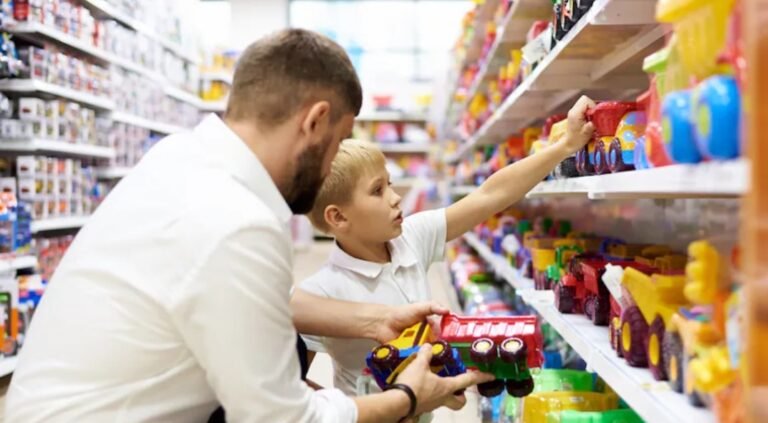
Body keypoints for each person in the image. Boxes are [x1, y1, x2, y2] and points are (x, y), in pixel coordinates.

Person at [5, 29, 492, 423]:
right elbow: (282, 420)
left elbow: (242, 305)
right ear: (315, 122)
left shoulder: (179, 158)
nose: (329, 173)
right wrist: (407, 397)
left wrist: (370, 321)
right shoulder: (238, 223)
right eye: (338, 141)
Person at [299, 96, 596, 398]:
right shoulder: (318, 296)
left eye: (389, 183)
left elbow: (490, 195)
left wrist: (564, 147)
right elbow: (290, 386)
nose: (395, 197)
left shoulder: (411, 237)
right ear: (337, 216)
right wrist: (349, 412)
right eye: (377, 190)